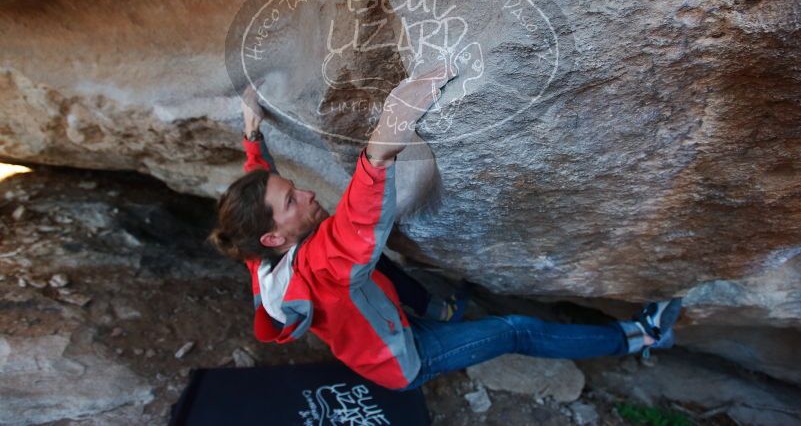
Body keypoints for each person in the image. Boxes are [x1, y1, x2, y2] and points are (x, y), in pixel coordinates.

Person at [208, 65, 682, 391]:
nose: (308, 194)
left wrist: (253, 134)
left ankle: (447, 308)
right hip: (404, 356)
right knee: (514, 329)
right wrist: (381, 145)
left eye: (296, 189)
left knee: (397, 281)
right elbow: (355, 227)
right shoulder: (319, 269)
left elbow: (262, 186)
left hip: (377, 317)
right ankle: (642, 335)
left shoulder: (259, 256)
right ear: (275, 237)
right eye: (293, 200)